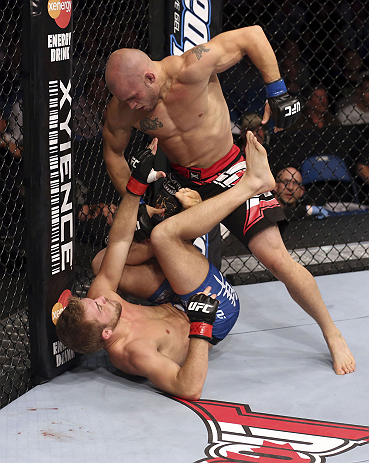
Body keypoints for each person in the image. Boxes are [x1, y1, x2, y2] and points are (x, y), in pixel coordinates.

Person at [101, 26, 355, 377]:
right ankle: (177, 309)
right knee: (131, 253)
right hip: (179, 185)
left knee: (277, 260)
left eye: (133, 97)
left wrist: (277, 91)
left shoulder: (192, 68)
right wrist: (139, 201)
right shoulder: (124, 108)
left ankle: (331, 330)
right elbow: (113, 153)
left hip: (230, 171)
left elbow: (252, 35)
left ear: (149, 75)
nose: (131, 107)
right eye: (124, 101)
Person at [56, 134, 355, 402]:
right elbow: (188, 387)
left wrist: (136, 185)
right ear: (107, 334)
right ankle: (249, 185)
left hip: (174, 298)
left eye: (93, 300)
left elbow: (120, 241)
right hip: (215, 309)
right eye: (98, 307)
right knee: (163, 235)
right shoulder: (135, 352)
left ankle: (180, 231)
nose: (102, 297)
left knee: (103, 262)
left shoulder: (102, 301)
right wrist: (201, 326)